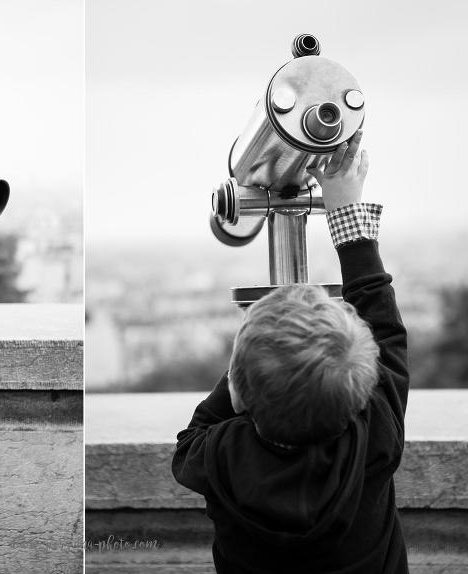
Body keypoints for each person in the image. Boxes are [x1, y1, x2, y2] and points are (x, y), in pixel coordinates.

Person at [172, 131, 410, 573]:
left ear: (239, 395)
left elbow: (191, 440)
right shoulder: (372, 439)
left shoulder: (221, 456)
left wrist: (244, 369)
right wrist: (346, 211)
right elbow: (388, 333)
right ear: (362, 391)